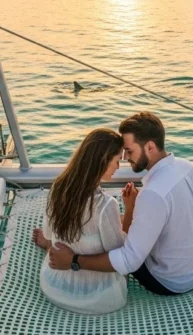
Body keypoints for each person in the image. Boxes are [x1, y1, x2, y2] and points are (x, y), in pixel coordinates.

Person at [49, 112, 193, 296]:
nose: (126, 158)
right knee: (113, 224)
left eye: (129, 151)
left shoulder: (152, 194)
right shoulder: (188, 167)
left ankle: (62, 246)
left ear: (150, 147)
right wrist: (133, 210)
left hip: (171, 280)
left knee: (109, 244)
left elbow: (128, 260)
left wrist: (73, 260)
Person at [31, 128, 134, 314]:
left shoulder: (57, 188)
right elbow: (119, 258)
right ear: (103, 161)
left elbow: (48, 232)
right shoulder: (105, 204)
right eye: (117, 160)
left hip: (54, 287)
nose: (118, 167)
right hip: (100, 299)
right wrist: (129, 210)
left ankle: (49, 246)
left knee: (57, 238)